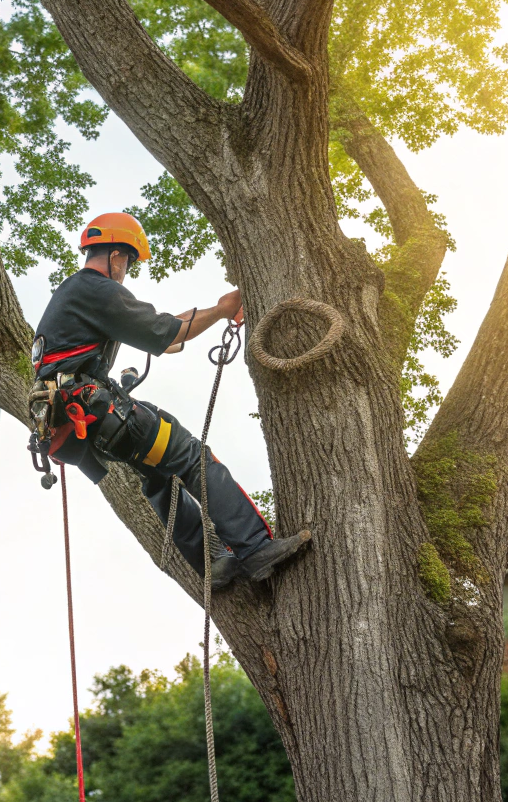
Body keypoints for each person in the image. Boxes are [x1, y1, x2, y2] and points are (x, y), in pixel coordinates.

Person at [31, 212, 312, 587]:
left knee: (159, 477)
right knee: (192, 458)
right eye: (128, 263)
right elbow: (167, 332)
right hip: (98, 411)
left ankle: (213, 564)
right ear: (117, 256)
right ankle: (255, 547)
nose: (126, 271)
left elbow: (169, 332)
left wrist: (212, 312)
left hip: (87, 426)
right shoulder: (95, 289)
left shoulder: (75, 295)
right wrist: (227, 308)